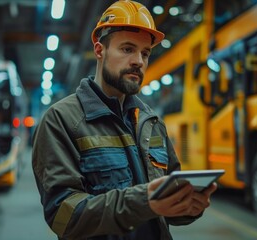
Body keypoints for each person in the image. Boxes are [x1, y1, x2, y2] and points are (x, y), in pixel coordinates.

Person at [31, 1, 217, 239]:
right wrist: (144, 202)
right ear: (100, 50)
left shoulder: (151, 122)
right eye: (127, 49)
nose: (138, 61)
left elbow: (167, 206)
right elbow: (63, 216)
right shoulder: (61, 121)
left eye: (145, 53)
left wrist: (189, 208)